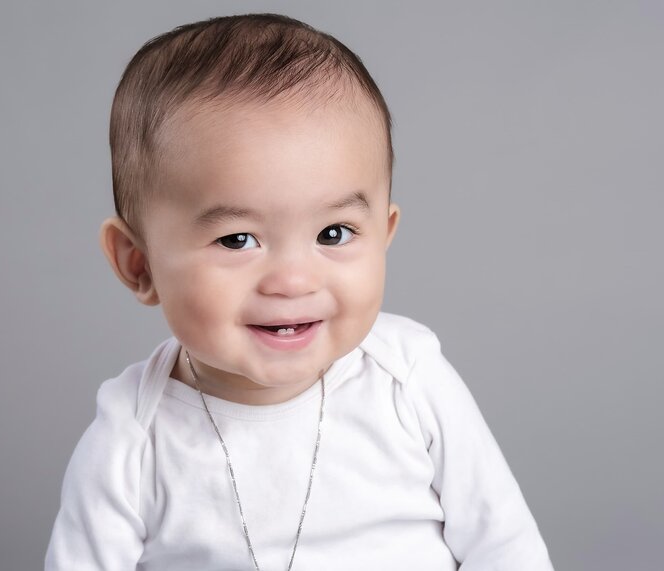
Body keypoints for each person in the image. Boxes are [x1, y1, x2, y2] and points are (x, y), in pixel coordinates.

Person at [45, 13, 554, 570]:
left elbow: (505, 546)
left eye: (333, 234)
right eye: (237, 239)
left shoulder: (408, 379)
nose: (292, 281)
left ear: (383, 236)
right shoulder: (132, 440)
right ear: (138, 264)